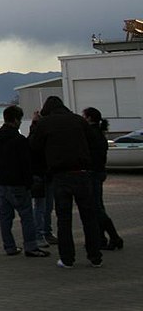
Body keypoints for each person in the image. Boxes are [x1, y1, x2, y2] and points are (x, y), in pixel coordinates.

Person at [29, 95, 103, 268]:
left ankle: (67, 258)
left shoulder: (45, 124)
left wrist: (35, 124)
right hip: (83, 174)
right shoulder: (79, 121)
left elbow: (33, 146)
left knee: (64, 219)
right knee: (89, 217)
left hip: (60, 175)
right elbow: (93, 142)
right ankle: (95, 256)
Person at [0, 105, 49, 257]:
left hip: (3, 183)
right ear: (16, 120)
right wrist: (28, 182)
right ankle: (30, 246)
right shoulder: (19, 140)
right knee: (26, 216)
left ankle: (9, 246)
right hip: (18, 184)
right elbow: (25, 163)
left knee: (5, 218)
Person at [82, 107, 123, 250]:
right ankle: (102, 237)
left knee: (96, 208)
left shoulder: (89, 134)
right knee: (98, 205)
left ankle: (113, 237)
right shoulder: (99, 134)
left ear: (89, 118)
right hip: (99, 171)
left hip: (92, 172)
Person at [29, 110, 57, 247]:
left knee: (44, 206)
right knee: (43, 206)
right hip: (41, 174)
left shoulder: (36, 136)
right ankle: (41, 233)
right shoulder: (42, 136)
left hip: (44, 173)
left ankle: (44, 232)